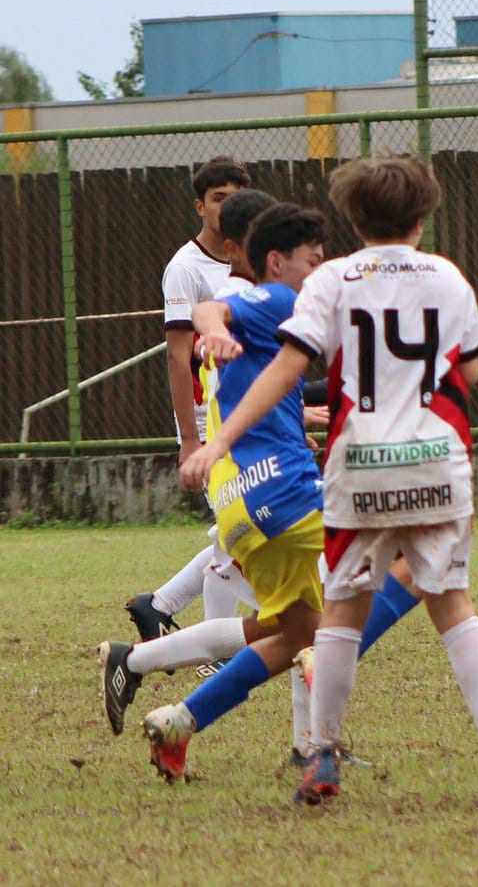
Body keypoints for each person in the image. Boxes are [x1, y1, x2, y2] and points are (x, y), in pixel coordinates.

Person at [181, 157, 478, 803]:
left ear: (354, 219)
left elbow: (285, 369)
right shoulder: (448, 279)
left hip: (359, 467)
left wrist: (220, 439)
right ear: (422, 217)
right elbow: (470, 376)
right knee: (452, 603)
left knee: (339, 614)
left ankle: (322, 756)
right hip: (435, 462)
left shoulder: (332, 280)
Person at [101, 203, 330, 781]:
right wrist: (216, 328)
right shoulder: (274, 299)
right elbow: (208, 309)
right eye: (314, 258)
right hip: (282, 490)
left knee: (290, 629)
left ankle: (140, 659)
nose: (320, 268)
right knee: (352, 600)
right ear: (273, 258)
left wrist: (304, 412)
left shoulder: (253, 320)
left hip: (241, 489)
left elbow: (250, 382)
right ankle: (310, 747)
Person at [124, 157, 251, 643]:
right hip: (211, 416)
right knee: (238, 528)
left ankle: (160, 606)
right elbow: (179, 359)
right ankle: (210, 645)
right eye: (219, 198)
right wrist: (190, 437)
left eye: (235, 198)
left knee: (240, 525)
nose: (228, 207)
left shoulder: (251, 258)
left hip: (248, 412)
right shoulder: (185, 267)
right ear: (200, 205)